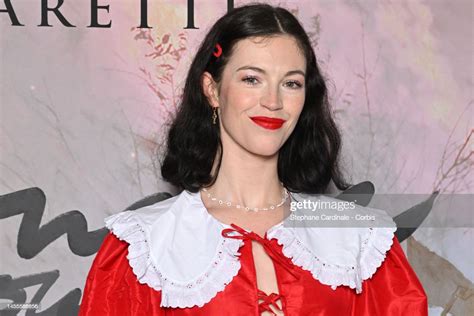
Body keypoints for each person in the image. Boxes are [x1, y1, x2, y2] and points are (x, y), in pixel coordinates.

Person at [78, 3, 428, 315]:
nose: (273, 101)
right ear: (212, 89)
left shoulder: (361, 240)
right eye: (251, 79)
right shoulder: (144, 246)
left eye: (291, 83)